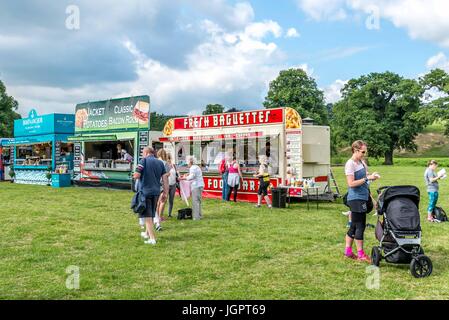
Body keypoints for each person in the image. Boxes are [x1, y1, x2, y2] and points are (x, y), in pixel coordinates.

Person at [344, 140, 380, 262]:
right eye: (362, 152)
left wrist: (372, 177)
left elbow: (366, 179)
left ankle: (348, 251)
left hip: (363, 196)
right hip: (355, 198)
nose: (364, 154)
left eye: (365, 152)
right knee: (360, 226)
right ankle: (361, 254)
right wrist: (366, 178)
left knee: (354, 225)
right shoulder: (350, 164)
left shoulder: (361, 162)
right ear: (355, 150)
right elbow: (351, 183)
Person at [133, 147, 168, 245]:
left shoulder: (143, 161)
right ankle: (147, 234)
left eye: (143, 152)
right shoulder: (160, 163)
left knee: (147, 216)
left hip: (145, 192)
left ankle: (152, 239)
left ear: (146, 152)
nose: (142, 154)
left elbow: (136, 175)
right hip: (156, 192)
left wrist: (134, 175)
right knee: (152, 213)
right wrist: (165, 192)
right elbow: (165, 178)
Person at [180, 155, 204, 220]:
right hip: (200, 185)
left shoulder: (192, 168)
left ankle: (196, 217)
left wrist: (183, 178)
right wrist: (187, 174)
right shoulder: (196, 167)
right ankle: (199, 215)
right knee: (198, 201)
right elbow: (193, 174)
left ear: (190, 162)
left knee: (195, 201)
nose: (187, 164)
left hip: (196, 186)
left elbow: (192, 177)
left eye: (187, 162)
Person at [155, 149, 171, 229]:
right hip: (163, 183)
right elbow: (166, 174)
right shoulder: (165, 163)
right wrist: (168, 174)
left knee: (158, 202)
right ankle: (160, 217)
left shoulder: (155, 162)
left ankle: (157, 216)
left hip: (155, 183)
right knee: (163, 201)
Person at [167, 153, 178, 218]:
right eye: (168, 158)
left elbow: (176, 173)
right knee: (164, 200)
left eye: (169, 158)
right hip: (166, 184)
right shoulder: (165, 165)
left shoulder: (173, 165)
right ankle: (160, 214)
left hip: (173, 184)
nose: (169, 159)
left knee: (171, 200)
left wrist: (178, 174)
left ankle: (169, 214)